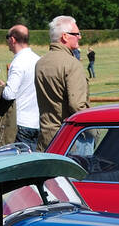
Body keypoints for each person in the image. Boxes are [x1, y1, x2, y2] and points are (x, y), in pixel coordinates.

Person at [34, 15, 90, 148]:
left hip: (45, 137)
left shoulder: (40, 63)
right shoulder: (72, 64)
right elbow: (77, 106)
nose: (80, 37)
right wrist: (94, 132)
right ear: (65, 37)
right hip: (70, 140)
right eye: (76, 34)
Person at [2, 24, 41, 148]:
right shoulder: (37, 59)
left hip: (21, 122)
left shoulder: (18, 62)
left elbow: (9, 94)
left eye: (7, 38)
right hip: (37, 122)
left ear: (12, 39)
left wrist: (3, 88)